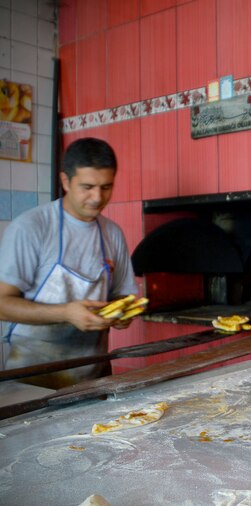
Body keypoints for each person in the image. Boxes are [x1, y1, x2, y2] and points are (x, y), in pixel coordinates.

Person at [0, 137, 138, 389]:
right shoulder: (32, 227)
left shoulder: (112, 233)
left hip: (94, 375)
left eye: (106, 187)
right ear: (65, 181)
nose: (97, 197)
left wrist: (122, 313)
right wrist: (65, 313)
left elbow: (123, 294)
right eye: (87, 187)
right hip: (33, 377)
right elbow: (2, 303)